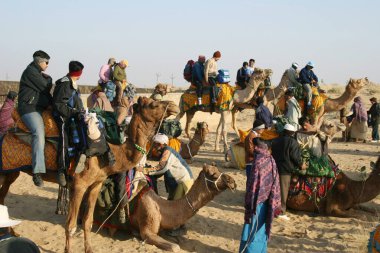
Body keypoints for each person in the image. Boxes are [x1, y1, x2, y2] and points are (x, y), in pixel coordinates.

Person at [239, 138, 281, 253]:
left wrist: (249, 203)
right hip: (268, 201)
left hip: (257, 203)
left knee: (253, 231)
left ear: (258, 148)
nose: (253, 148)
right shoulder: (270, 159)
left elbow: (252, 187)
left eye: (254, 146)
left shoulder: (258, 162)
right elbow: (275, 182)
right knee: (261, 230)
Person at [18, 50, 53, 187]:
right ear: (39, 61)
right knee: (39, 133)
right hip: (29, 109)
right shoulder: (30, 72)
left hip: (39, 108)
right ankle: (37, 171)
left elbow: (45, 93)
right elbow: (45, 86)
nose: (48, 65)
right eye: (46, 62)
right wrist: (48, 79)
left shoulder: (37, 73)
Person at [53, 61, 87, 186]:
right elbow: (59, 105)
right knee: (64, 139)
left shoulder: (72, 83)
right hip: (63, 117)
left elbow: (76, 102)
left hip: (73, 116)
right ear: (78, 73)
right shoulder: (65, 84)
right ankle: (61, 170)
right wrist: (73, 112)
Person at [271, 124, 306, 220]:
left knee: (274, 190)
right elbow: (295, 156)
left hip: (274, 168)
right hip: (285, 170)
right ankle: (281, 212)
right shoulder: (292, 142)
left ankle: (272, 209)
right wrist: (301, 165)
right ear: (292, 132)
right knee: (283, 191)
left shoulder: (275, 140)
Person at [144, 133, 194, 200]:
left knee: (175, 206)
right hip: (178, 182)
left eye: (154, 144)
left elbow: (162, 168)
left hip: (183, 181)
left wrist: (145, 170)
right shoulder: (164, 152)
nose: (153, 146)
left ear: (160, 144)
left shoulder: (167, 151)